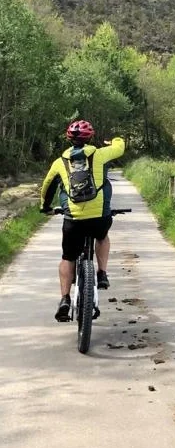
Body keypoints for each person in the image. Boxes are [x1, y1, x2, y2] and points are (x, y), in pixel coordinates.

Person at [40, 120, 125, 322]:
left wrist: (45, 207)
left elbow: (47, 186)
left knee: (68, 256)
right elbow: (120, 147)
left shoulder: (60, 161)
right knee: (102, 236)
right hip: (99, 217)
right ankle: (102, 273)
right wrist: (114, 139)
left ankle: (64, 299)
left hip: (74, 219)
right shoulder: (100, 154)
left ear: (69, 139)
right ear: (90, 138)